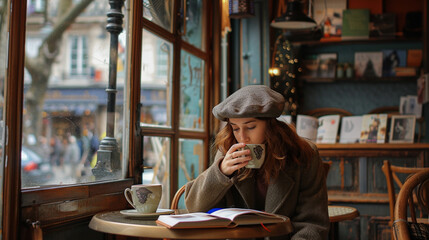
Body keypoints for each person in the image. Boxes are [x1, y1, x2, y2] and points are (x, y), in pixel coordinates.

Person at [184, 85, 329, 240]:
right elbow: (194, 206)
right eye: (235, 128)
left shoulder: (303, 155)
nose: (242, 137)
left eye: (251, 127)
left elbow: (312, 224)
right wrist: (220, 172)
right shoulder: (228, 151)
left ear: (271, 125)